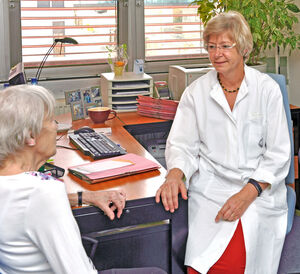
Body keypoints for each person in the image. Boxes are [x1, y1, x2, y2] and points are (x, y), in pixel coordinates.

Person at [155, 11, 291, 274]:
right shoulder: (196, 92)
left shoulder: (266, 90)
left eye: (225, 46)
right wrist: (174, 174)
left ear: (244, 48)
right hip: (212, 189)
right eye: (212, 46)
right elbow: (183, 144)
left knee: (240, 262)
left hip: (257, 190)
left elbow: (278, 154)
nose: (217, 53)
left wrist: (248, 193)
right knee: (202, 264)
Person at [0, 84, 166, 274]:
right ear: (31, 135)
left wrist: (84, 197)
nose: (56, 127)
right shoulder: (44, 193)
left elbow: (25, 205)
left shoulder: (12, 182)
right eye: (51, 120)